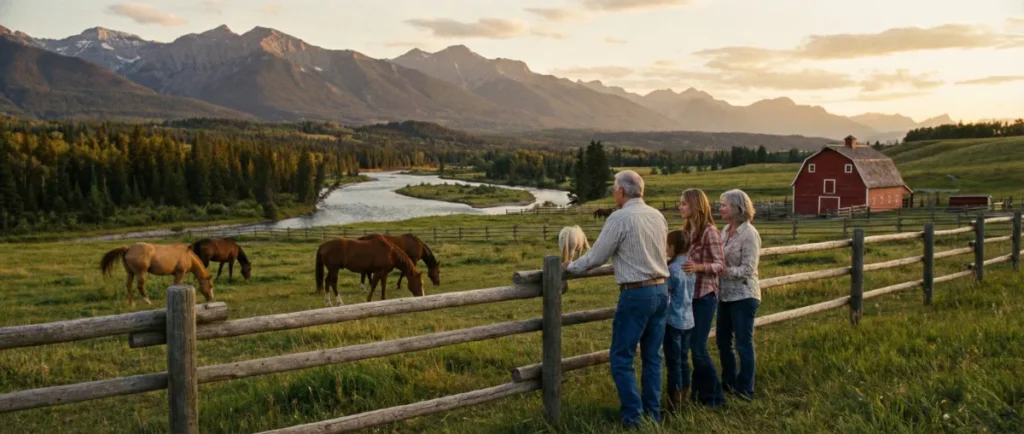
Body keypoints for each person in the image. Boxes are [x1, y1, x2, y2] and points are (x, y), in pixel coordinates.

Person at [563, 170, 670, 428]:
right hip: (661, 289)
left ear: (622, 191)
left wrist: (570, 267)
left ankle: (634, 418)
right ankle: (652, 415)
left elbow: (597, 255)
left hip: (636, 293)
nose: (613, 192)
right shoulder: (657, 215)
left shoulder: (619, 218)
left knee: (621, 357)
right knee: (652, 357)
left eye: (614, 188)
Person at [678, 188, 726, 408]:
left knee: (698, 347)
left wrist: (698, 267)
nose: (680, 207)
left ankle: (715, 397)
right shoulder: (687, 230)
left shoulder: (710, 232)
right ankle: (699, 393)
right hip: (689, 296)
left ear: (695, 206)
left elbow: (720, 265)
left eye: (684, 204)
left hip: (705, 296)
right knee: (691, 347)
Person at [717, 189, 762, 401]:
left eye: (724, 204)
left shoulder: (750, 234)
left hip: (744, 294)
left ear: (737, 208)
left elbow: (748, 268)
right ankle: (728, 382)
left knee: (743, 342)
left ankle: (745, 388)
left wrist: (724, 270)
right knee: (722, 341)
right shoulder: (724, 230)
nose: (720, 208)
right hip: (724, 295)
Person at [662, 229, 694, 413]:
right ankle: (684, 398)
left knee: (673, 362)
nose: (665, 249)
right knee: (683, 359)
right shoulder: (690, 266)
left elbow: (666, 295)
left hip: (673, 320)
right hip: (689, 319)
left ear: (672, 247)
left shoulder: (671, 270)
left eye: (667, 245)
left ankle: (674, 404)